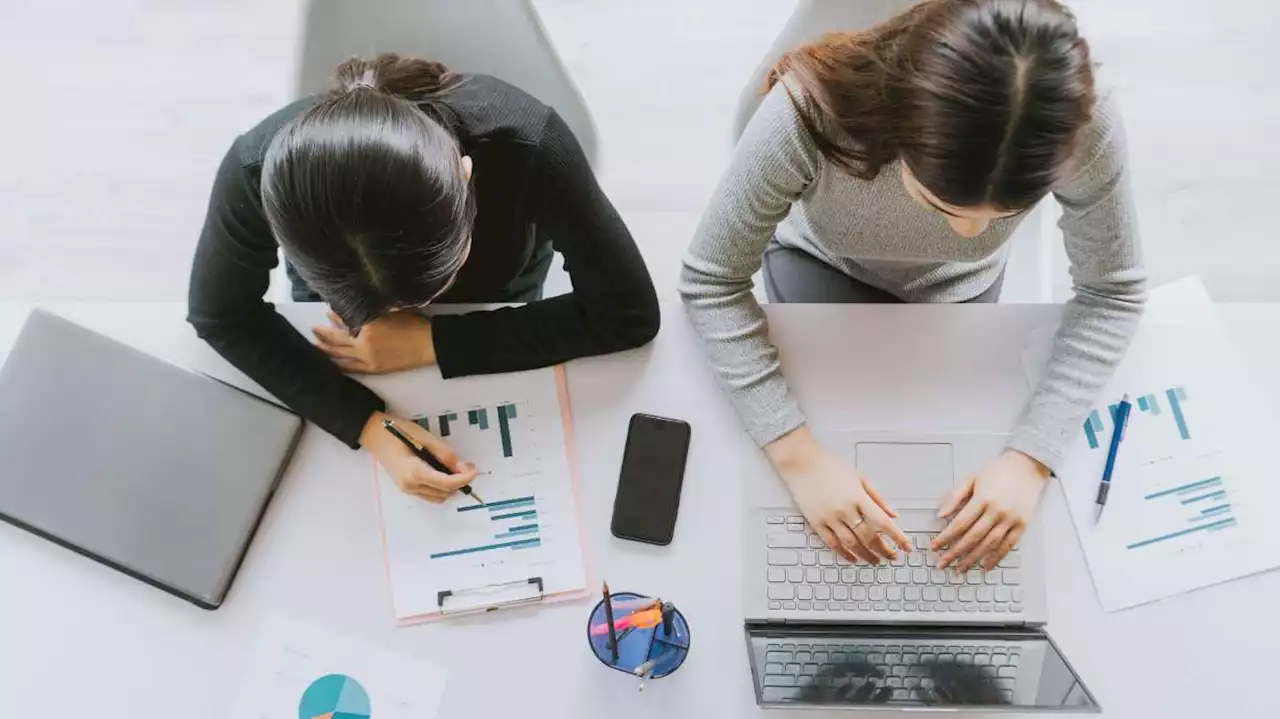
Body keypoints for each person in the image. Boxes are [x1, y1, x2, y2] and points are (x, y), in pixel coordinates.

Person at [681, 0, 1145, 571]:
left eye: (1007, 212)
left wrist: (1031, 459)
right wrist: (798, 457)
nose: (969, 232)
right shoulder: (809, 112)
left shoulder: (1084, 125)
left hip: (964, 295)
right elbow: (710, 281)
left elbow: (1113, 293)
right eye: (942, 204)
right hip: (822, 261)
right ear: (896, 126)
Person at [189, 54, 660, 503]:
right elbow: (220, 314)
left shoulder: (529, 145)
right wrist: (368, 424)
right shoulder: (255, 169)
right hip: (349, 348)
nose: (397, 316)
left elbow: (629, 313)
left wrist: (434, 341)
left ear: (466, 175)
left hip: (496, 292)